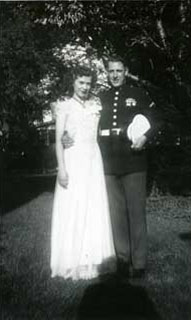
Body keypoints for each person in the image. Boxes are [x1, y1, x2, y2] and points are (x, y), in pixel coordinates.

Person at [98, 55, 162, 279]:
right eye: (110, 71)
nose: (114, 75)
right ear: (107, 73)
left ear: (125, 71)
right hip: (109, 163)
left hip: (134, 161)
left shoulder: (138, 94)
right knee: (117, 214)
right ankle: (123, 259)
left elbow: (156, 119)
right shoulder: (101, 97)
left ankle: (140, 262)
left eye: (118, 70)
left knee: (136, 213)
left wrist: (145, 137)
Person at [50, 65, 115, 281]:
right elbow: (59, 140)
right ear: (73, 83)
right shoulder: (64, 106)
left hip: (93, 160)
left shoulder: (96, 105)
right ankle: (71, 261)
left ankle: (93, 259)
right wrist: (61, 169)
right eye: (81, 82)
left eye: (88, 83)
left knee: (92, 207)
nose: (85, 87)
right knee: (74, 207)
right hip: (73, 160)